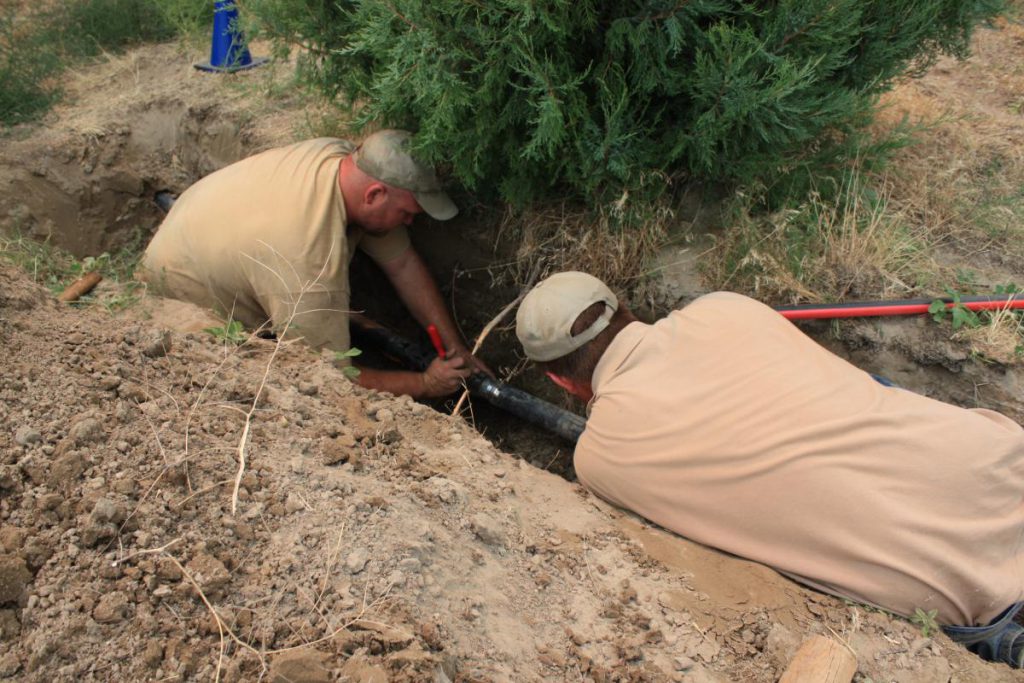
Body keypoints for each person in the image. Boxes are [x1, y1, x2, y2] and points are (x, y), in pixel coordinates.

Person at [515, 271, 1024, 667]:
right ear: (623, 309)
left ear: (559, 381)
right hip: (1000, 463)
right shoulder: (724, 308)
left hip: (983, 600)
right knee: (862, 388)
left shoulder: (599, 459)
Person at [141, 130, 488, 398]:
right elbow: (332, 378)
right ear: (375, 195)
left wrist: (456, 348)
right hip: (179, 290)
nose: (410, 223)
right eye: (407, 214)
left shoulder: (338, 159)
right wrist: (426, 383)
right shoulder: (307, 264)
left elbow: (403, 265)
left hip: (199, 217)